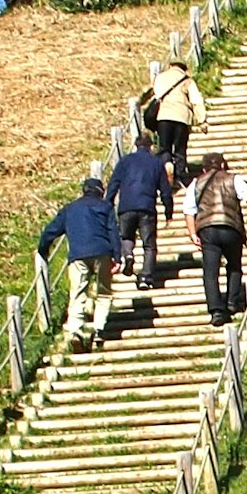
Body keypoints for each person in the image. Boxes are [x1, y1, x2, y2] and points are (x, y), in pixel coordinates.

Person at [39, 172, 121, 342]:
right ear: (101, 191)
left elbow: (50, 231)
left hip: (77, 255)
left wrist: (43, 250)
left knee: (77, 293)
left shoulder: (70, 209)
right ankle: (99, 329)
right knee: (104, 293)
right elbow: (113, 232)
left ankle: (75, 330)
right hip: (102, 252)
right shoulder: (105, 207)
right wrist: (118, 257)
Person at [188, 154, 247, 326]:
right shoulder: (234, 179)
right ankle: (232, 302)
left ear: (204, 169)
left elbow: (189, 209)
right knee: (234, 265)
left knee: (210, 272)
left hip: (207, 229)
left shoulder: (196, 183)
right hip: (231, 227)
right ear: (224, 165)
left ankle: (217, 311)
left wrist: (192, 232)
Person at [111, 137, 173, 287]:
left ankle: (128, 255)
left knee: (126, 236)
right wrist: (168, 210)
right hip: (147, 207)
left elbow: (114, 183)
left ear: (135, 145)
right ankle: (146, 277)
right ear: (151, 146)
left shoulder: (125, 161)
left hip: (126, 206)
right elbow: (165, 190)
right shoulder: (157, 163)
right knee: (149, 244)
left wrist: (107, 204)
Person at [147, 57, 203, 173]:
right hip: (181, 118)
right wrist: (202, 120)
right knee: (180, 150)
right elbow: (196, 101)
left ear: (170, 65)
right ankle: (179, 175)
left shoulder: (160, 78)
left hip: (164, 117)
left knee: (164, 148)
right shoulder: (188, 81)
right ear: (184, 68)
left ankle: (166, 168)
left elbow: (153, 95)